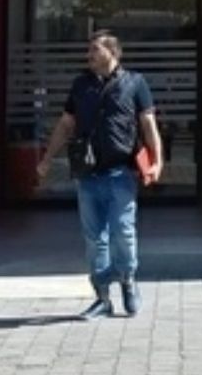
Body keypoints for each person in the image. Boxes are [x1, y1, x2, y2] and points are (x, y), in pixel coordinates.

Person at [36, 30, 163, 319]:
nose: (89, 55)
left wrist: (157, 162)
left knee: (123, 232)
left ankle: (128, 280)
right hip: (88, 174)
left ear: (112, 52)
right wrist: (47, 158)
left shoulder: (135, 83)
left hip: (121, 172)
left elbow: (148, 125)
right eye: (89, 50)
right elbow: (66, 124)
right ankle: (102, 298)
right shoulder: (81, 84)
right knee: (95, 239)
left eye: (94, 49)